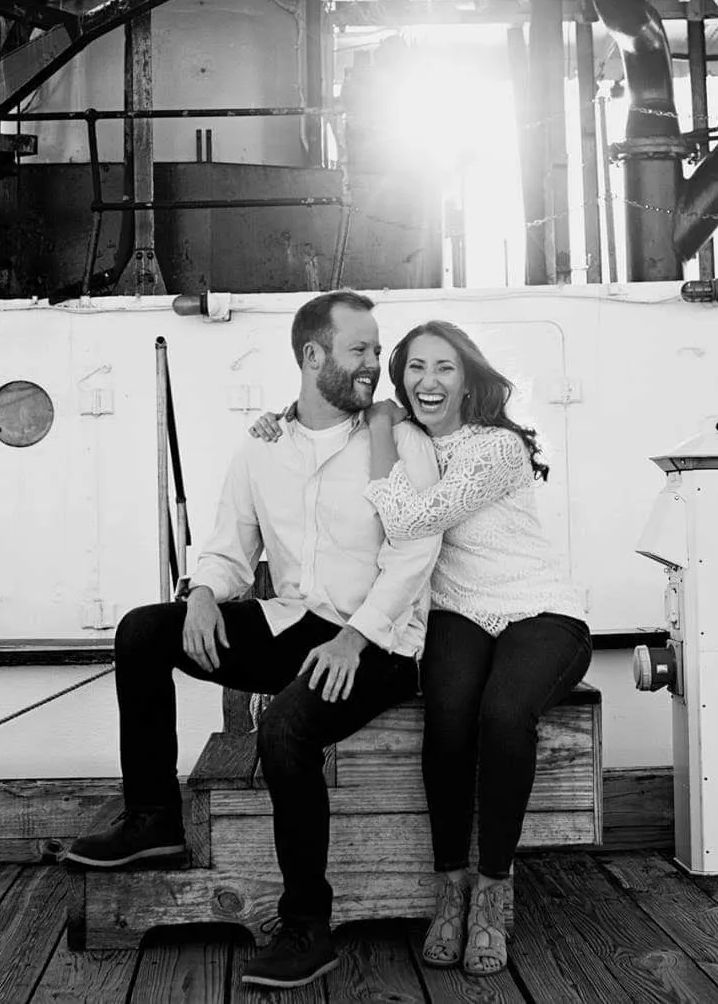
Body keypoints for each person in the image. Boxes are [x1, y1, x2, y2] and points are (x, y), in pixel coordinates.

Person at [63, 289, 444, 992]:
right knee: (143, 631)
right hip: (294, 622)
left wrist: (354, 639)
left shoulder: (399, 442)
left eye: (375, 347)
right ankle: (153, 817)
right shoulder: (263, 445)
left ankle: (306, 926)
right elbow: (229, 547)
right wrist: (204, 593)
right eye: (359, 349)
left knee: (286, 729)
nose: (374, 362)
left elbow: (414, 556)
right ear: (313, 355)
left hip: (383, 642)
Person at [251, 320, 588, 978]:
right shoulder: (407, 438)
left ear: (468, 380)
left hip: (538, 609)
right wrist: (279, 421)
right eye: (415, 367)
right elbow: (320, 427)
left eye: (444, 368)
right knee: (449, 719)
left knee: (504, 714)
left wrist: (381, 426)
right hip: (458, 611)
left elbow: (409, 519)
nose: (428, 381)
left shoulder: (496, 448)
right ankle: (450, 891)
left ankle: (493, 891)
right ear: (400, 377)